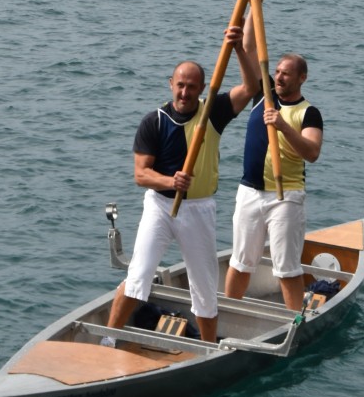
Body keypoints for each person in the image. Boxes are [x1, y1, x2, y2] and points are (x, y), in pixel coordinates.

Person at [106, 17, 260, 343]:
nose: (185, 92)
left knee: (203, 286)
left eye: (192, 86)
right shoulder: (154, 121)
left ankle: (207, 348)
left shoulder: (213, 112)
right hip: (160, 207)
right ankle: (107, 339)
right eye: (180, 84)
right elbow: (140, 175)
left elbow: (251, 88)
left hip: (198, 210)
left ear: (202, 88)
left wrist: (237, 51)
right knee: (138, 276)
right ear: (170, 84)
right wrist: (168, 182)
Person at [224, 9, 323, 311]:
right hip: (250, 192)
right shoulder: (263, 93)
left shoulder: (308, 112)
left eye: (286, 73)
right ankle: (227, 315)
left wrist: (282, 126)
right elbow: (252, 50)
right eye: (277, 71)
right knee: (240, 262)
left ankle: (295, 322)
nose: (279, 77)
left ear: (301, 78)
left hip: (286, 196)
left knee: (286, 268)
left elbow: (312, 152)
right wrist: (255, 8)